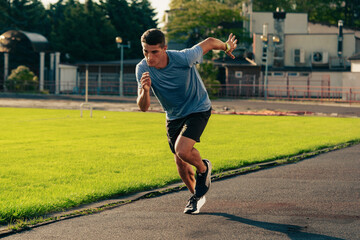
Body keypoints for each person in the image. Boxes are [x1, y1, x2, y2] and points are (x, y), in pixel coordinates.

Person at [136, 29, 237, 214]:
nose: (149, 57)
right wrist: (145, 90)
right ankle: (197, 197)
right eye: (145, 51)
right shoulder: (142, 69)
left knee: (182, 150)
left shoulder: (183, 58)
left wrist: (226, 46)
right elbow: (143, 107)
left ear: (164, 48)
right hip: (173, 116)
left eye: (154, 52)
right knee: (181, 164)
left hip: (198, 107)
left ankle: (203, 167)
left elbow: (209, 42)